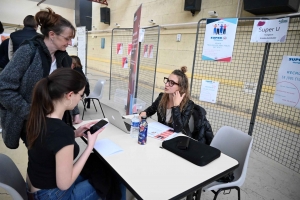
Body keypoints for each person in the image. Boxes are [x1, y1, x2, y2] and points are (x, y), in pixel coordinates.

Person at [0, 7, 75, 149]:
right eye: (67, 38)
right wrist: (31, 112)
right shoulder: (28, 51)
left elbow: (67, 88)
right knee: (42, 161)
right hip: (30, 121)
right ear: (52, 34)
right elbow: (3, 87)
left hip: (55, 119)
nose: (70, 43)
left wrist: (74, 112)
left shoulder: (64, 58)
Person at [26, 68, 103, 200]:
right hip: (51, 195)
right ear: (69, 95)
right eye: (81, 95)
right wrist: (90, 146)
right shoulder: (62, 131)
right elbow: (64, 184)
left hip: (34, 189)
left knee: (96, 171)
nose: (80, 99)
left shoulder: (38, 118)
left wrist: (75, 133)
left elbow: (49, 143)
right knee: (111, 180)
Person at [139, 66, 194, 135]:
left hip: (179, 139)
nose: (167, 84)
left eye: (172, 83)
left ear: (181, 87)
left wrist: (176, 106)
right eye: (167, 80)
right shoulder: (162, 97)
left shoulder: (188, 104)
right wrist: (144, 113)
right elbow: (151, 109)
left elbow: (178, 129)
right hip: (161, 135)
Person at [70, 55, 90, 124]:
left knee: (71, 95)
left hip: (81, 91)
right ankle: (75, 117)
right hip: (80, 89)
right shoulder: (78, 70)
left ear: (73, 63)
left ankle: (76, 117)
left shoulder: (76, 72)